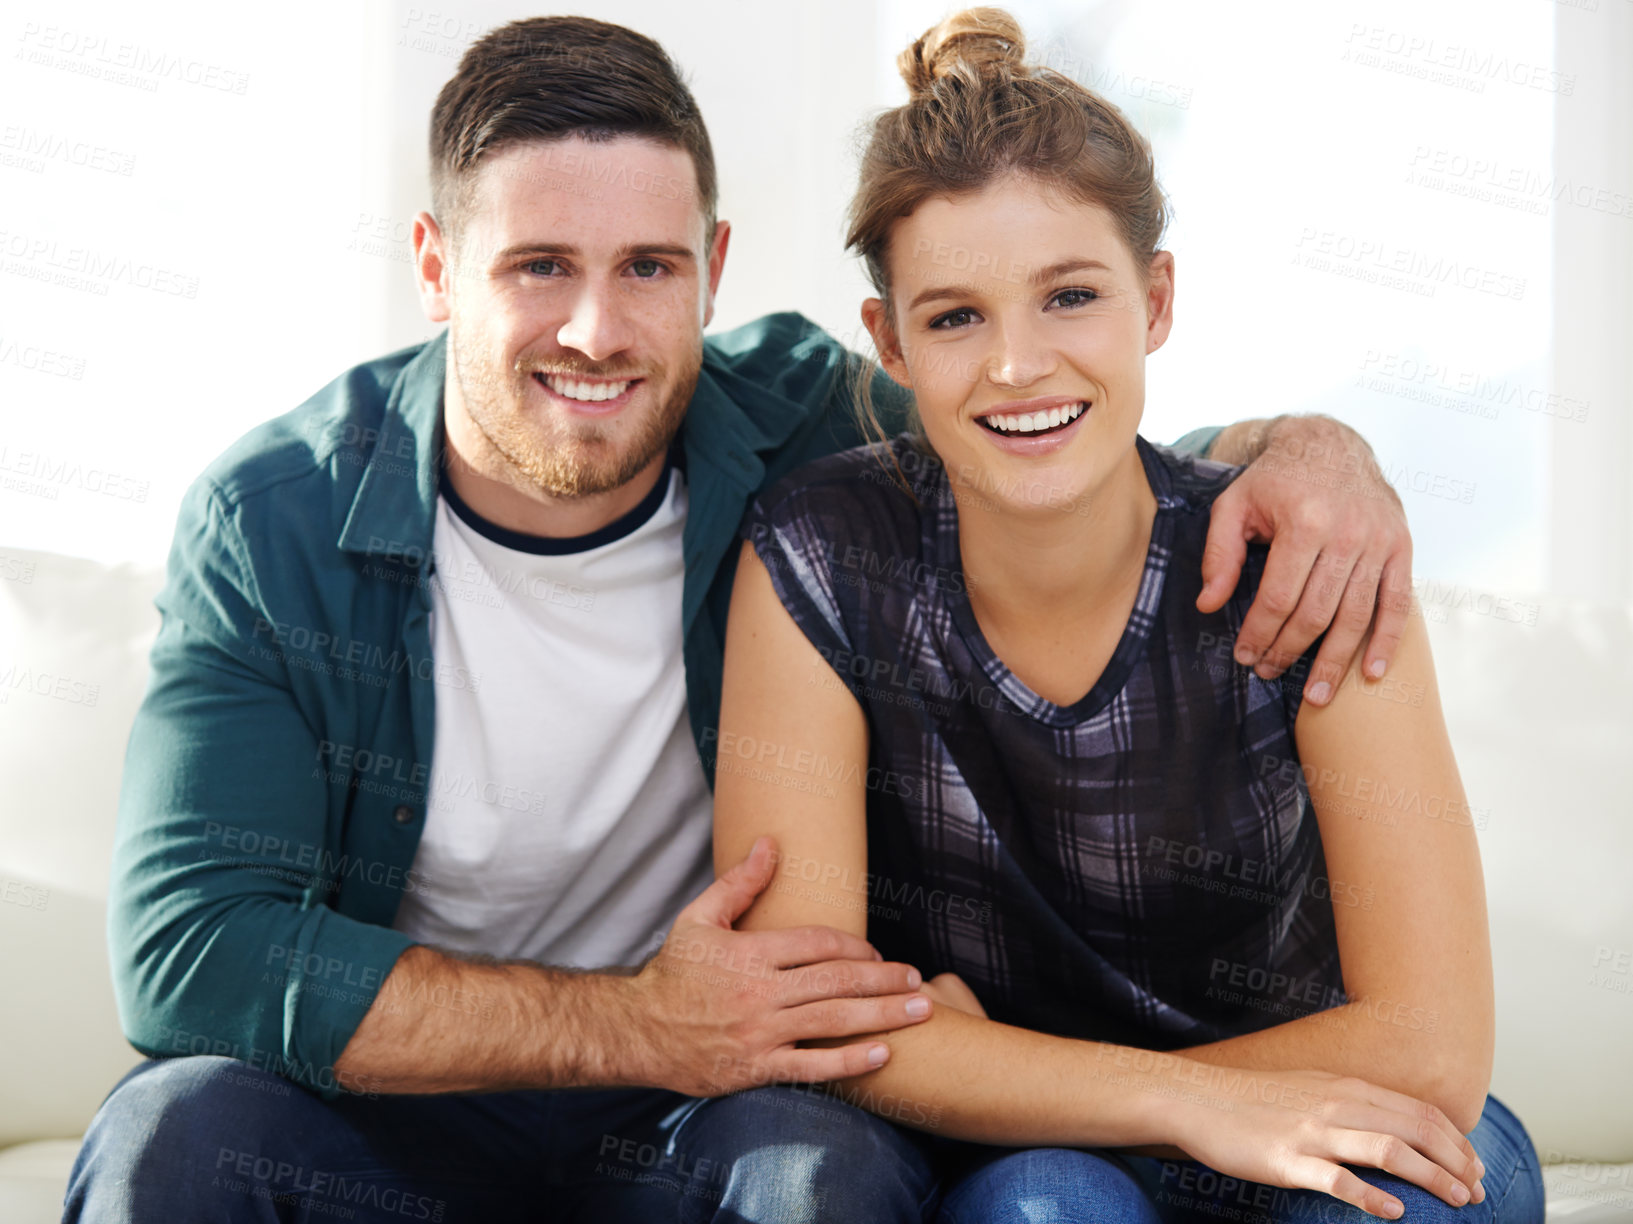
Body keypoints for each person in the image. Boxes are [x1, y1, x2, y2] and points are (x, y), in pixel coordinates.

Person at [66, 14, 1415, 1223]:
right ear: (435, 265)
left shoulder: (800, 426)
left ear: (712, 266)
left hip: (706, 1119)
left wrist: (1305, 448)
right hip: (405, 1118)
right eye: (539, 265)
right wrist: (635, 1027)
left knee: (809, 1172)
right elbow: (193, 952)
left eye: (649, 267)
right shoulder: (275, 520)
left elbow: (1043, 446)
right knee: (172, 1139)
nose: (597, 330)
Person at [686, 8, 1546, 1223]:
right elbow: (809, 1022)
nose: (1018, 365)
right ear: (887, 342)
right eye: (954, 318)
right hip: (1035, 1157)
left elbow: (1431, 1050)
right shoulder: (819, 558)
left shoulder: (1305, 556)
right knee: (1049, 1206)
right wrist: (1175, 1106)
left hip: (1319, 1102)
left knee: (1426, 1189)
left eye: (1070, 297)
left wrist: (1024, 1076)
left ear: (1156, 300)